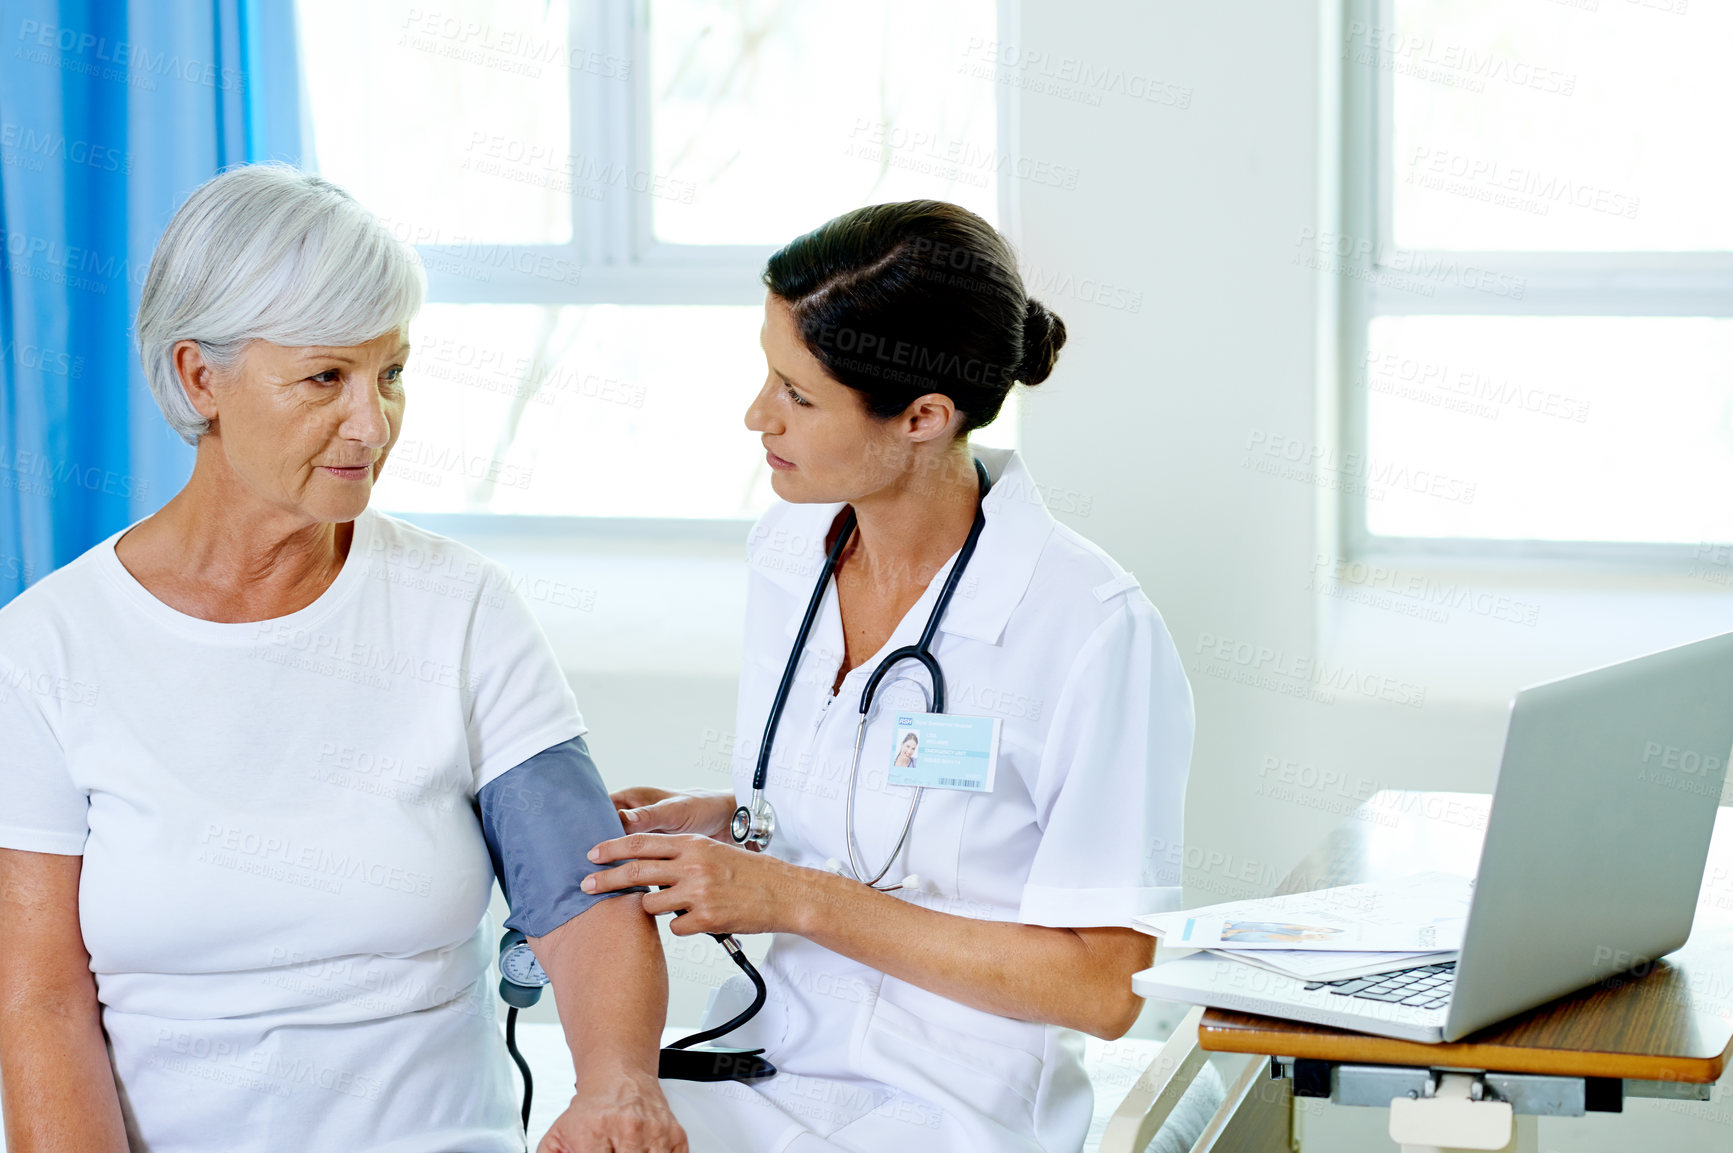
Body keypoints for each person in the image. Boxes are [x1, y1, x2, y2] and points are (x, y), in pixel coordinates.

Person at [0, 165, 686, 1153]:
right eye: (327, 378)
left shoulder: (460, 607)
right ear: (201, 377)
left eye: (392, 373)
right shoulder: (44, 651)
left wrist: (617, 1084)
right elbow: (41, 1001)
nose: (372, 424)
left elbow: (577, 895)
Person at [586, 201, 1215, 1151]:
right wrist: (733, 821)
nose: (756, 416)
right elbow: (877, 792)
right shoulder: (789, 551)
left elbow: (1103, 985)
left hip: (956, 1110)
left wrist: (786, 895)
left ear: (925, 415)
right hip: (773, 1068)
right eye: (766, 373)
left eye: (797, 395)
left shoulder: (1087, 626)